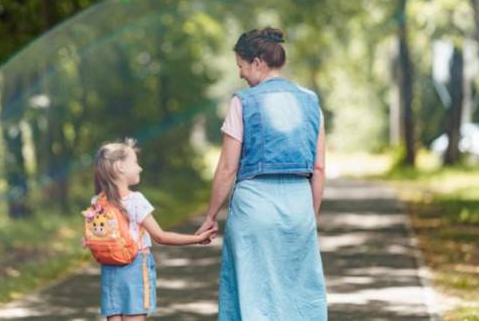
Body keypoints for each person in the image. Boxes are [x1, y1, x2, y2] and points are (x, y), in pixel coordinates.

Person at [194, 27, 328, 320]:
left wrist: (210, 216)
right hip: (298, 208)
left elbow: (228, 168)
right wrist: (310, 215)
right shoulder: (311, 102)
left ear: (257, 62)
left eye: (241, 66)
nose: (241, 75)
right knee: (299, 293)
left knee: (253, 294)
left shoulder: (243, 102)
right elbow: (318, 168)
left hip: (254, 209)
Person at [91, 138, 215, 321]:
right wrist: (196, 239)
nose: (139, 168)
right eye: (134, 162)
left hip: (109, 268)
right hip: (134, 266)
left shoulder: (97, 202)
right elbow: (161, 236)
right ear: (120, 167)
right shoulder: (135, 200)